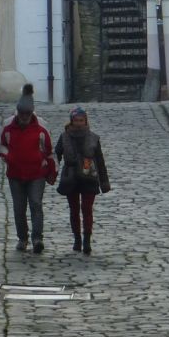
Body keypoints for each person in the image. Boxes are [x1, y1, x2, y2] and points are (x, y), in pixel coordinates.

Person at [0, 84, 54, 254]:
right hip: (15, 174)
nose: (24, 117)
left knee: (36, 204)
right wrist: (8, 157)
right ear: (18, 112)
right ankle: (22, 238)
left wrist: (50, 169)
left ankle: (37, 238)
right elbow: (1, 145)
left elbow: (48, 149)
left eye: (27, 114)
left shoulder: (41, 126)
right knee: (19, 207)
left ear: (31, 113)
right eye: (21, 114)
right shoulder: (8, 126)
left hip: (37, 173)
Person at [55, 106, 110, 255]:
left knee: (87, 209)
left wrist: (104, 182)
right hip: (70, 177)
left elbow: (99, 161)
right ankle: (77, 239)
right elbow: (56, 156)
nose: (79, 123)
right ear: (71, 121)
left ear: (85, 121)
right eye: (76, 120)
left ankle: (87, 240)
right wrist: (51, 174)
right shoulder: (64, 137)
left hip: (89, 176)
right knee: (74, 210)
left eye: (81, 120)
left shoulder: (93, 138)